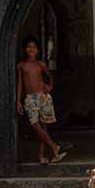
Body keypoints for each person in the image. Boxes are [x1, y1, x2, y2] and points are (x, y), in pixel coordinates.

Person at [16, 36, 67, 164]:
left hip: (43, 96)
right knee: (35, 125)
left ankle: (43, 156)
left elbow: (50, 76)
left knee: (43, 127)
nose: (31, 49)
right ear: (25, 49)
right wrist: (18, 100)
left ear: (37, 50)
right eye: (29, 47)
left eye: (34, 47)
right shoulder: (21, 65)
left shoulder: (41, 64)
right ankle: (54, 146)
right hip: (29, 98)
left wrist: (49, 86)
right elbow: (20, 84)